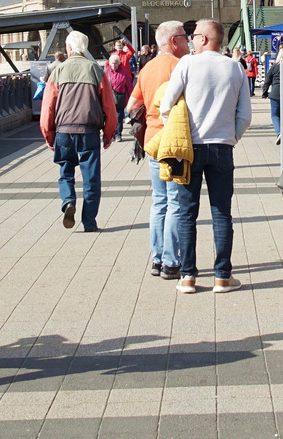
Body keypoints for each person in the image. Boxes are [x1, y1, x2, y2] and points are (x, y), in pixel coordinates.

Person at [160, 19, 253, 294]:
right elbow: (245, 116)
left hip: (191, 147)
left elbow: (166, 106)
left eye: (193, 35)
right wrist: (231, 137)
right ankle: (223, 275)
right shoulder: (235, 67)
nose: (190, 40)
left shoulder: (187, 64)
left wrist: (177, 133)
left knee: (187, 213)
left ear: (203, 39)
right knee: (221, 213)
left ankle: (188, 275)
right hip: (222, 146)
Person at [40, 31, 118, 232]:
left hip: (64, 131)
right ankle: (89, 222)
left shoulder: (58, 71)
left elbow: (48, 106)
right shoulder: (95, 69)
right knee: (91, 178)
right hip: (89, 131)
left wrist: (49, 134)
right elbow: (109, 105)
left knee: (65, 170)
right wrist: (109, 134)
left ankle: (68, 201)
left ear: (68, 48)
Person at [130, 21, 187, 278]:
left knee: (159, 200)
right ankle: (170, 261)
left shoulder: (147, 68)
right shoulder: (181, 66)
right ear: (174, 41)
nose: (189, 42)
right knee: (175, 201)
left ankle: (156, 258)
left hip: (151, 141)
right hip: (174, 140)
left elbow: (131, 106)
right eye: (185, 37)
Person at [104, 49, 133, 117]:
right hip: (109, 99)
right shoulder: (105, 72)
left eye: (115, 63)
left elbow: (129, 87)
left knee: (119, 118)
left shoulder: (124, 72)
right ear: (109, 63)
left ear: (119, 63)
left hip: (120, 99)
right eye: (112, 63)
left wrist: (131, 100)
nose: (114, 65)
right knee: (110, 118)